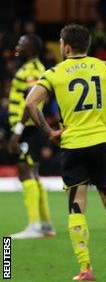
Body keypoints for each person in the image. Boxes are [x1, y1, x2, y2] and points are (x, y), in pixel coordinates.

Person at [25, 24, 106, 281]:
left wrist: (49, 132)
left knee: (76, 208)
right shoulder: (105, 67)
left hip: (71, 146)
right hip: (102, 144)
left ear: (66, 46)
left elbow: (31, 102)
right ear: (87, 45)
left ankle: (84, 269)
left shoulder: (54, 73)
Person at [8, 34, 55, 239]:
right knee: (33, 175)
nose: (17, 46)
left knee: (25, 172)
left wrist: (17, 131)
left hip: (28, 129)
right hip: (29, 128)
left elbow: (31, 102)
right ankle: (45, 225)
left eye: (21, 43)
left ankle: (34, 226)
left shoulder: (32, 71)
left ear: (31, 48)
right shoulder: (32, 67)